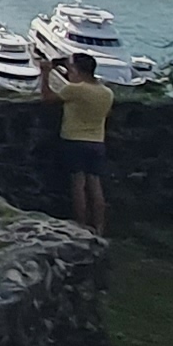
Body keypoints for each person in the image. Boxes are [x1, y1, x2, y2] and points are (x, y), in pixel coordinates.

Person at [41, 50, 113, 233]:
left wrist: (45, 74)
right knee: (95, 186)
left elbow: (48, 98)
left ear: (76, 70)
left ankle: (81, 227)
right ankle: (99, 227)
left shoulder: (76, 90)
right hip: (97, 142)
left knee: (78, 187)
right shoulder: (106, 92)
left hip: (74, 140)